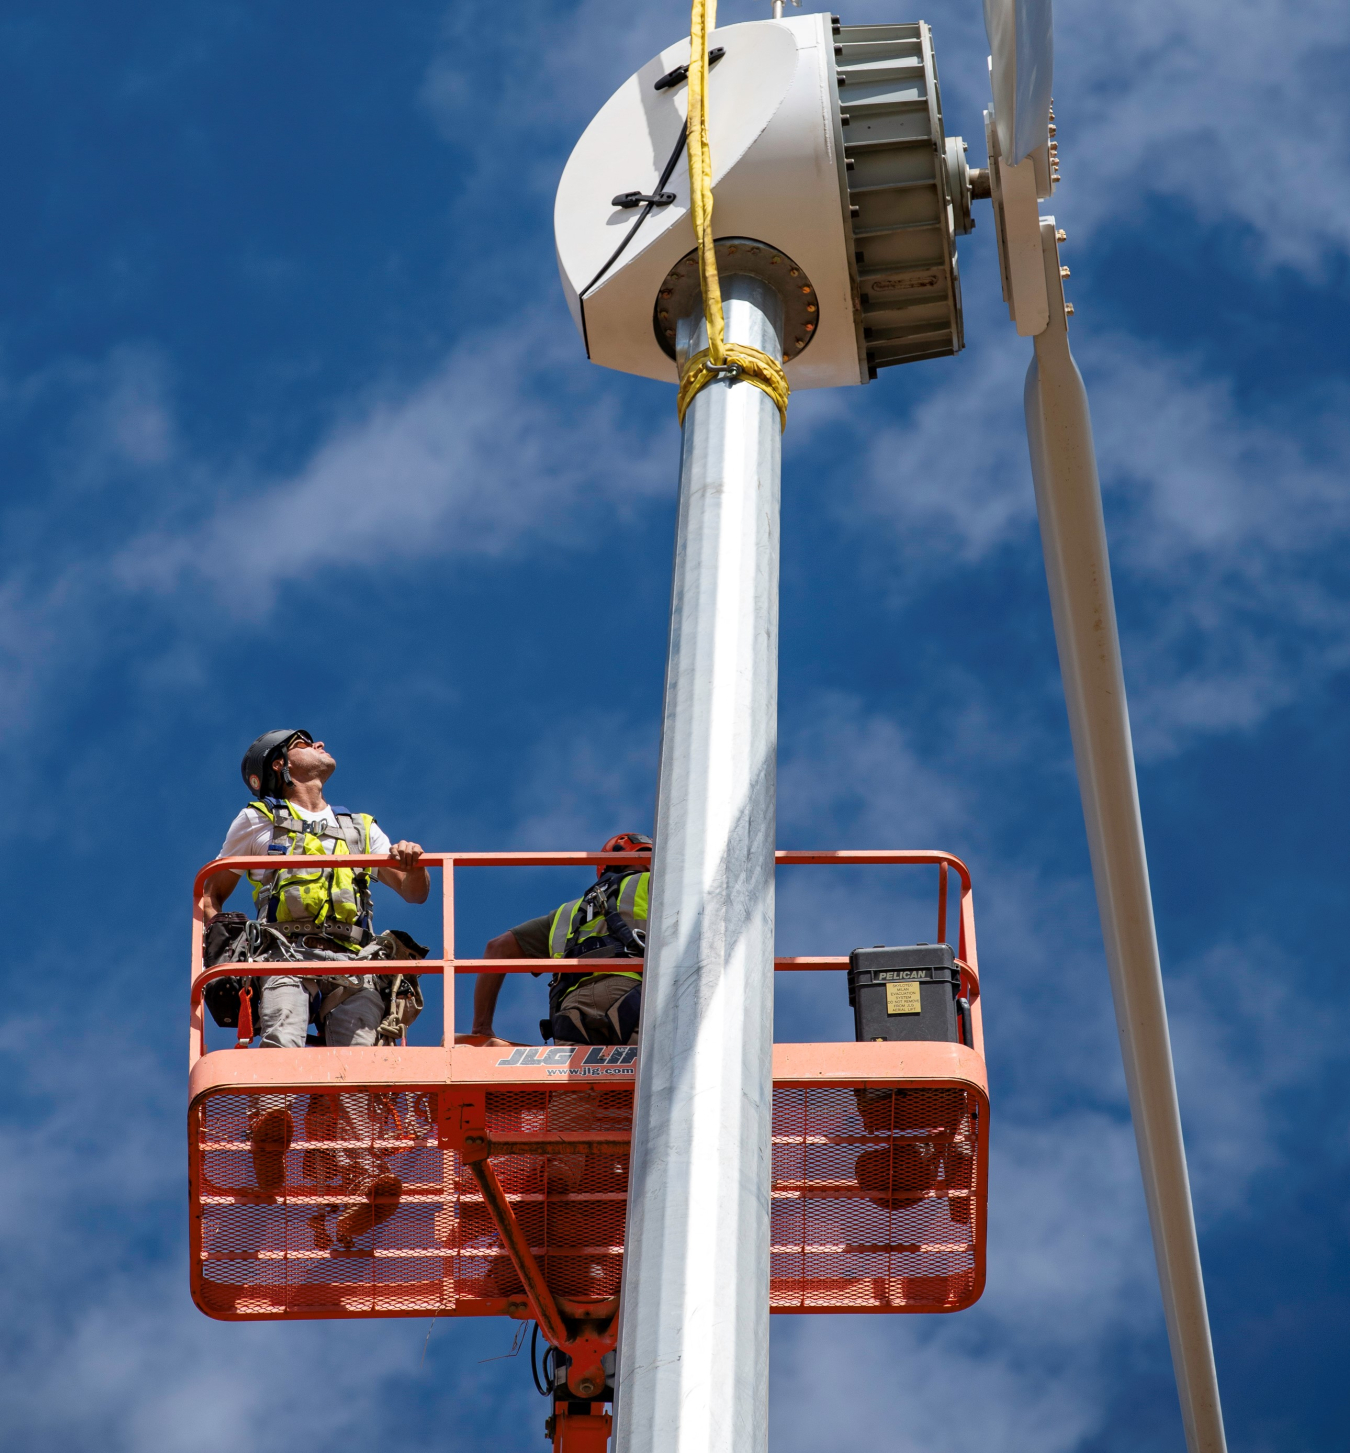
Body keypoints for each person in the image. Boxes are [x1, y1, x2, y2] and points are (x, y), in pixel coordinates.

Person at [199, 728, 430, 1244]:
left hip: (354, 959)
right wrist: (221, 941)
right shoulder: (257, 820)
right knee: (284, 1032)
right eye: (304, 741)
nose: (319, 743)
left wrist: (412, 864)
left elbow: (413, 894)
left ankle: (362, 1175)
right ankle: (270, 1127)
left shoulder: (360, 827)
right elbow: (213, 891)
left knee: (355, 1072)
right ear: (279, 765)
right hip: (285, 950)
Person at [471, 832, 651, 1046]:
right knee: (658, 1074)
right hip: (632, 993)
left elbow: (497, 948)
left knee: (579, 1078)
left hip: (571, 1010)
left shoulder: (567, 912)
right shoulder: (659, 884)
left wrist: (480, 1029)